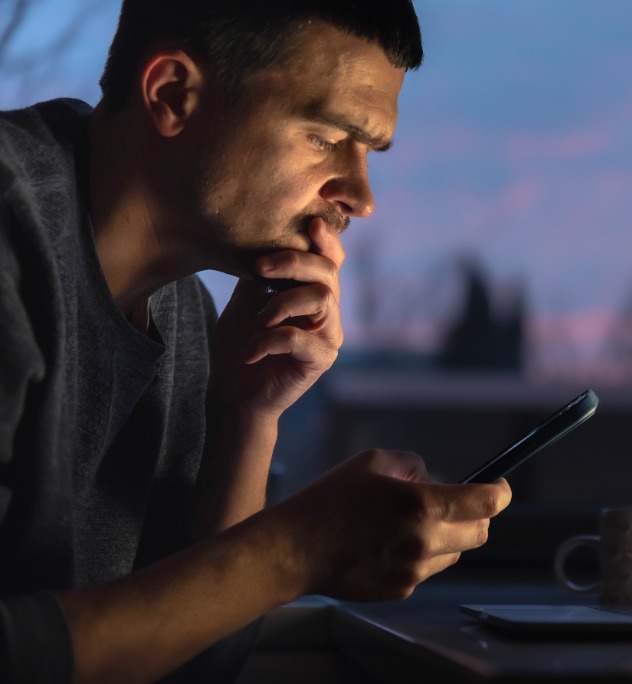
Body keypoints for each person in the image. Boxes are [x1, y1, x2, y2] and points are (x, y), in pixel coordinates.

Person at [0, 2, 512, 682]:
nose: (361, 196)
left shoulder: (186, 317)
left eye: (369, 153)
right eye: (328, 137)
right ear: (172, 94)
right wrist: (298, 550)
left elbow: (191, 660)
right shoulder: (12, 234)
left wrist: (247, 413)